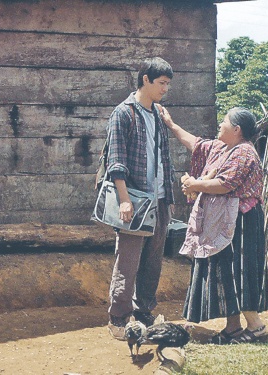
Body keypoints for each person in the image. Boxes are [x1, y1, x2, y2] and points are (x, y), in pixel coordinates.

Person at [160, 106, 268, 344]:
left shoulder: (244, 153)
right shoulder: (223, 148)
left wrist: (193, 183)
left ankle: (256, 326)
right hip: (224, 222)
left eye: (225, 121)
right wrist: (171, 124)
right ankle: (233, 327)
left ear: (237, 129)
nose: (220, 124)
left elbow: (224, 184)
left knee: (239, 270)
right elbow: (196, 144)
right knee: (223, 270)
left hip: (242, 222)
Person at [104, 57, 176, 340]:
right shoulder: (123, 113)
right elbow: (116, 160)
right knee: (129, 259)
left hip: (158, 199)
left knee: (153, 259)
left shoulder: (158, 114)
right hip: (134, 198)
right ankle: (118, 317)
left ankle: (143, 310)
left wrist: (167, 195)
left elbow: (163, 159)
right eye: (161, 83)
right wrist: (124, 199)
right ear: (145, 79)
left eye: (168, 84)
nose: (165, 89)